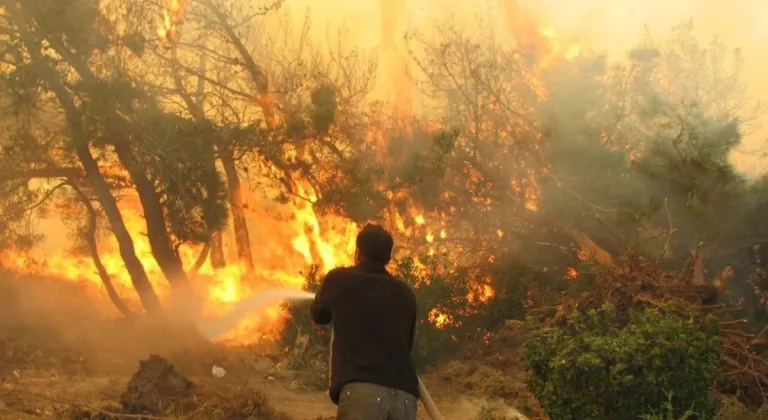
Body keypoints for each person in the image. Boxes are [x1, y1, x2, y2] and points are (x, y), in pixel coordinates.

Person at [310, 223, 419, 420]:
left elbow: (319, 315)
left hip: (363, 394)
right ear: (388, 258)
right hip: (405, 398)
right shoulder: (406, 294)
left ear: (358, 253)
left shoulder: (339, 280)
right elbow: (407, 345)